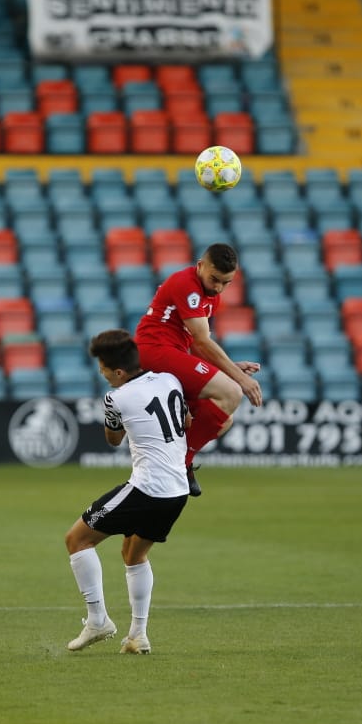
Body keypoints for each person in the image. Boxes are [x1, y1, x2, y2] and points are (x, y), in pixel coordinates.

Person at [64, 329, 192, 655]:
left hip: (148, 487)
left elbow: (113, 440)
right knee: (134, 555)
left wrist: (115, 416)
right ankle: (138, 635)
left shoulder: (115, 397)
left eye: (103, 369)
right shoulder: (170, 381)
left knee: (77, 540)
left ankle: (97, 620)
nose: (102, 374)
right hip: (178, 490)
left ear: (118, 371)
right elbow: (187, 420)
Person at [134, 242, 263, 497]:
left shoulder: (209, 296)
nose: (219, 287)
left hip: (174, 354)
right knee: (232, 393)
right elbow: (202, 341)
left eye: (226, 283)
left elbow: (197, 347)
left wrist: (229, 368)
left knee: (224, 420)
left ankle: (173, 460)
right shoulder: (187, 284)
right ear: (200, 265)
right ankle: (180, 462)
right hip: (155, 350)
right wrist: (240, 379)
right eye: (215, 279)